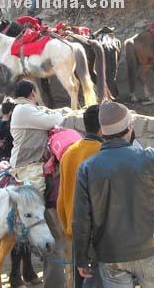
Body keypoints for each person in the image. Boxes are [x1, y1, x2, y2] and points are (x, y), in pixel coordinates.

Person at [73, 102, 154, 288]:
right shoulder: (146, 158)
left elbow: (81, 220)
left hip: (110, 258)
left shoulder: (87, 168)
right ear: (130, 128)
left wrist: (82, 259)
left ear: (103, 132)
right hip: (147, 252)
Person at [10, 79, 65, 288]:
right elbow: (53, 120)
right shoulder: (24, 110)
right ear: (33, 93)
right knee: (38, 206)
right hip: (28, 167)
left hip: (32, 164)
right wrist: (58, 115)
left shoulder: (26, 109)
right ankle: (37, 240)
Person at [58, 105, 103, 288]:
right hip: (99, 237)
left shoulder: (68, 153)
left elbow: (61, 200)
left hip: (76, 233)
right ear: (103, 126)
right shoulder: (103, 153)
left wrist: (69, 227)